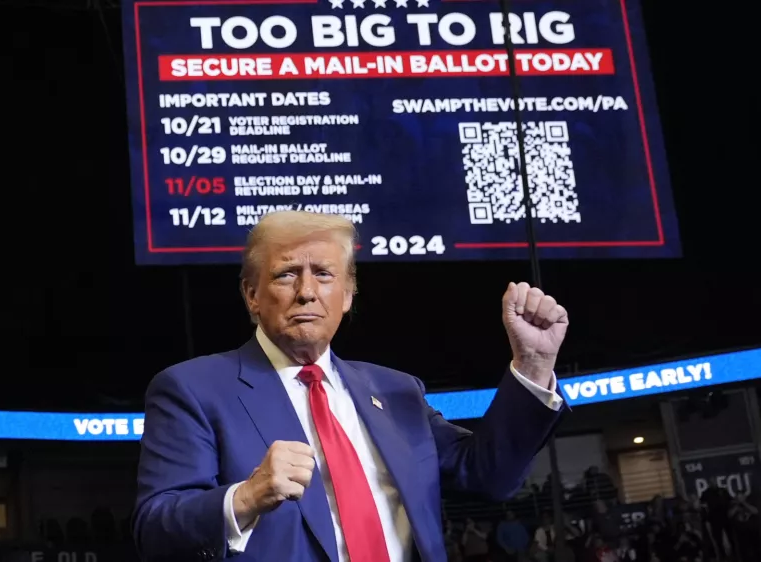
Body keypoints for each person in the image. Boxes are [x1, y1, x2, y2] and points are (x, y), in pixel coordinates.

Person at [133, 211, 568, 562]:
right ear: (252, 295)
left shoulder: (398, 392)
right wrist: (244, 497)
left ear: (347, 294)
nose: (306, 291)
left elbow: (488, 475)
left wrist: (532, 364)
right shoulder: (191, 389)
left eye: (323, 273)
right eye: (286, 274)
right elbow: (154, 529)